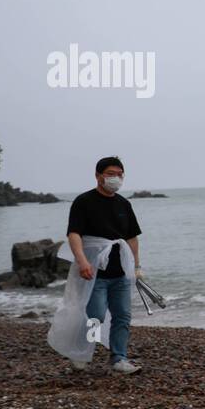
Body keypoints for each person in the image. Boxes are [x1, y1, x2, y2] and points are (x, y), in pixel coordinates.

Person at [65, 156, 143, 374]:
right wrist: (82, 261)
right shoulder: (84, 202)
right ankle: (81, 352)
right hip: (94, 271)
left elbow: (132, 238)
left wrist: (136, 267)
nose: (115, 178)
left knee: (122, 316)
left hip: (121, 271)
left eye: (119, 174)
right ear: (98, 176)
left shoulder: (123, 204)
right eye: (110, 174)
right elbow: (74, 234)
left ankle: (119, 358)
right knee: (96, 316)